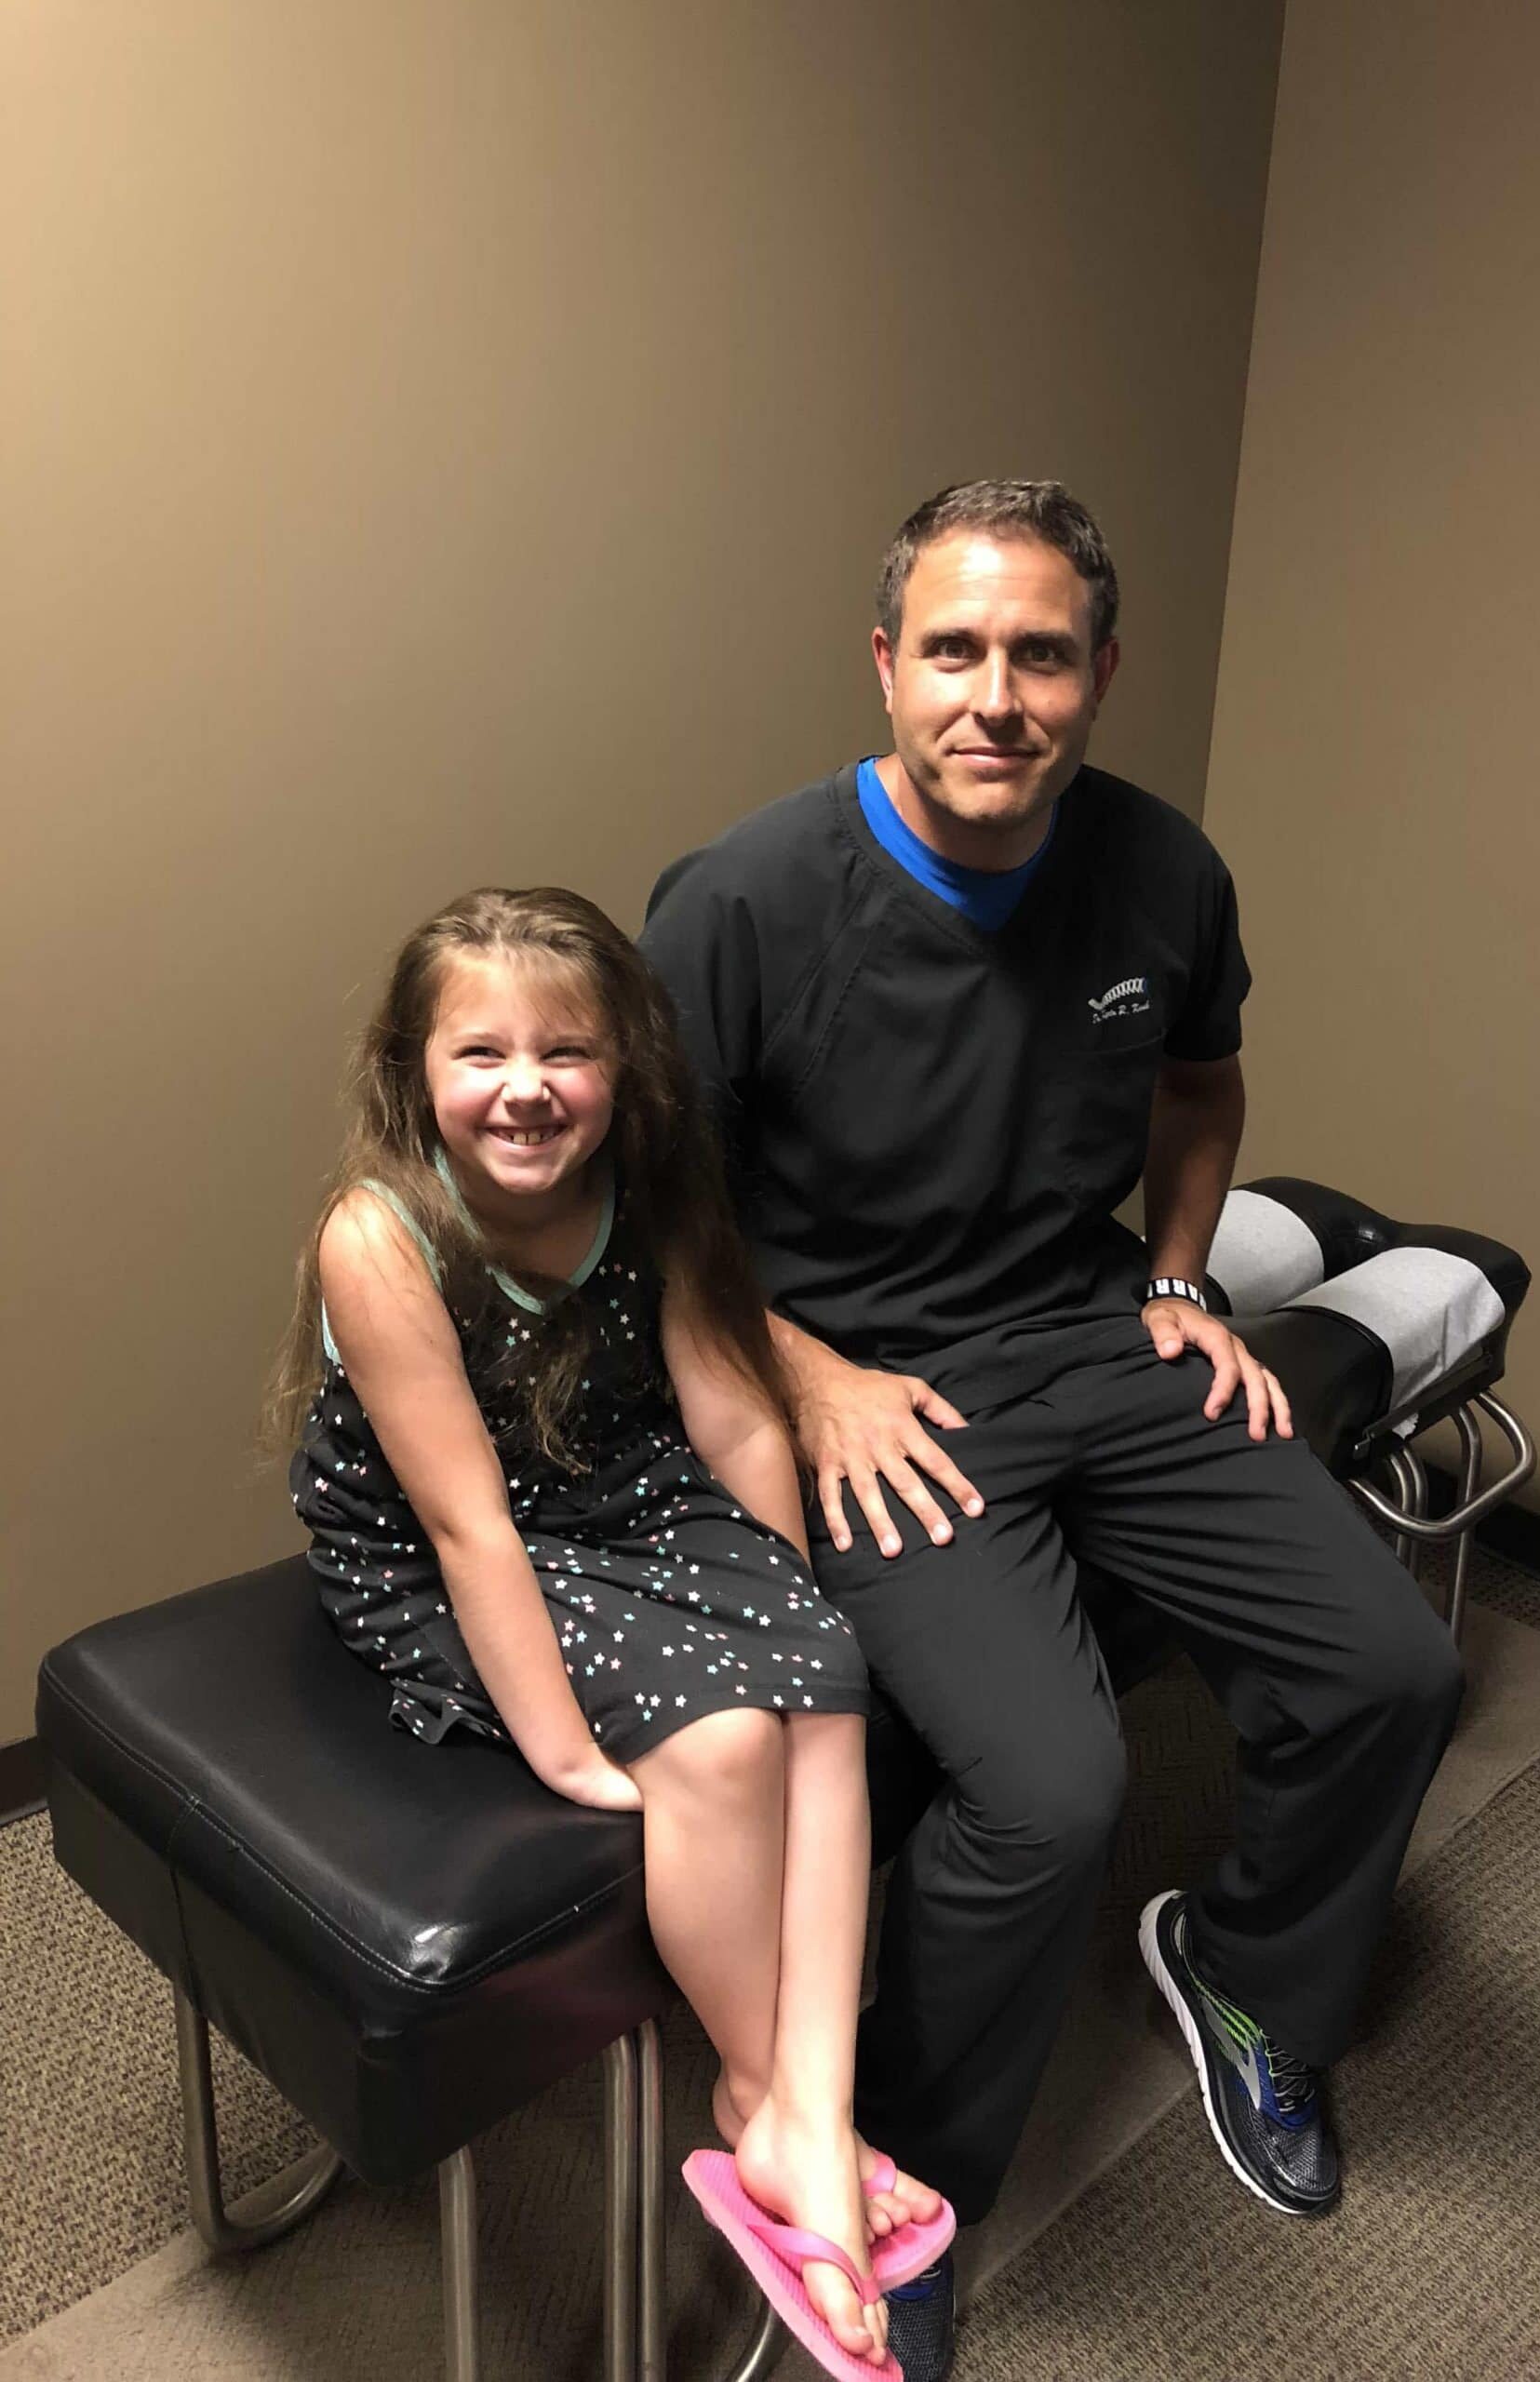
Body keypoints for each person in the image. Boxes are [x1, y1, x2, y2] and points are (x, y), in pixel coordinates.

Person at [640, 481, 1466, 2375]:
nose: (992, 695)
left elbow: (1202, 1081)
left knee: (1393, 1670)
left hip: (1096, 1324)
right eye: (953, 648)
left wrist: (1181, 1277)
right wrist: (800, 1366)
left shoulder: (1166, 871)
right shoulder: (747, 898)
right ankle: (896, 2179)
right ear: (884, 663)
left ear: (1103, 671)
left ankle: (1251, 1976)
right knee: (1052, 1783)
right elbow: (647, 1211)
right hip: (872, 1384)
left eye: (1038, 653)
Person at [269, 886, 952, 2378]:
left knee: (821, 1683)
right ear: (413, 1068)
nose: (529, 1088)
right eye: (484, 1053)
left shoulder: (655, 1185)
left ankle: (799, 2119)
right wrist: (566, 1748)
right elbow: (465, 1529)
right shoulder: (378, 1238)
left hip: (622, 1489)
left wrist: (783, 1601)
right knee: (714, 1739)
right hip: (445, 1551)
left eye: (567, 1052)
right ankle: (768, 2097)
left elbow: (724, 1405)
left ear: (622, 1068)